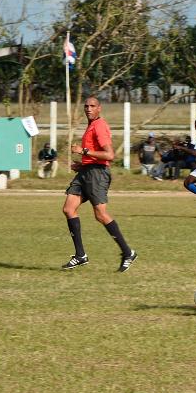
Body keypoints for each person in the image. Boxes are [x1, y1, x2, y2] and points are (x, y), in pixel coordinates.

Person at [62, 97, 137, 272]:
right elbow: (95, 155)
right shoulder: (90, 126)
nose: (88, 108)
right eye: (86, 106)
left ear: (99, 109)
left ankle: (128, 252)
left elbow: (109, 155)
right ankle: (80, 255)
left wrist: (84, 151)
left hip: (97, 174)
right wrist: (83, 163)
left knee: (101, 215)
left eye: (92, 106)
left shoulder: (100, 126)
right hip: (86, 172)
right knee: (68, 209)